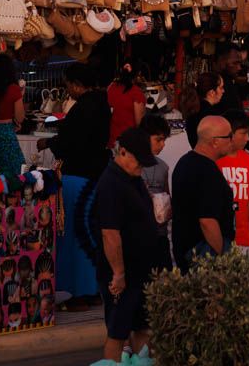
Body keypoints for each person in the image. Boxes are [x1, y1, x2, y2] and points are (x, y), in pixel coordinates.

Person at [93, 128, 163, 365]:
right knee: (118, 332)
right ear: (122, 152)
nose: (141, 166)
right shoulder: (111, 183)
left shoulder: (133, 178)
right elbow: (110, 234)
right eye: (138, 161)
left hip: (141, 270)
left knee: (142, 326)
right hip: (122, 275)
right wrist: (119, 273)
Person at [44, 63, 112, 306]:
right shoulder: (101, 104)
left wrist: (50, 143)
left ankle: (79, 291)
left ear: (76, 85)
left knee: (74, 235)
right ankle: (92, 288)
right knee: (89, 233)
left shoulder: (83, 108)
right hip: (95, 176)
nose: (68, 90)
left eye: (68, 85)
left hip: (78, 177)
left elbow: (70, 143)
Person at [171, 115, 235, 269]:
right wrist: (222, 255)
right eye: (229, 136)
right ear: (215, 141)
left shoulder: (184, 162)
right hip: (204, 252)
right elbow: (207, 221)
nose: (232, 141)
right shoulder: (207, 172)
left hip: (186, 248)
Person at [217, 112, 249, 254]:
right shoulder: (215, 160)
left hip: (244, 239)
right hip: (219, 239)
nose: (248, 138)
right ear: (229, 134)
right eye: (243, 133)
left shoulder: (248, 160)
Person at [0, 53, 28, 179]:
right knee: (15, 175)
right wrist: (21, 96)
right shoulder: (13, 89)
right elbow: (20, 117)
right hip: (7, 135)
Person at [138, 113, 173, 250]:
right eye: (158, 140)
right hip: (138, 235)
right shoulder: (131, 165)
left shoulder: (163, 167)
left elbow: (167, 195)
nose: (163, 145)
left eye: (164, 140)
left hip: (160, 234)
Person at [179, 71, 225, 147]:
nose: (223, 91)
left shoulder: (194, 109)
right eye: (221, 88)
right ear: (212, 92)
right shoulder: (211, 114)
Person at [106, 64, 147, 146]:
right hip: (128, 142)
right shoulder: (136, 93)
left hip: (111, 139)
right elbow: (139, 123)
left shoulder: (111, 87)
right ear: (137, 74)